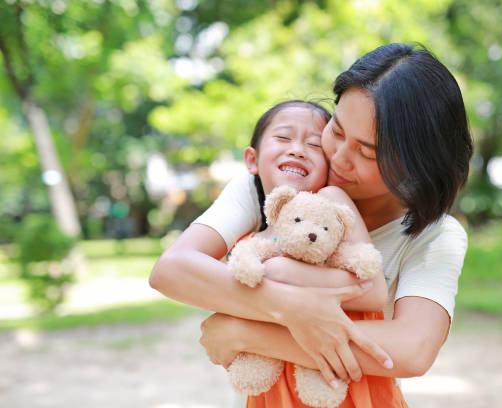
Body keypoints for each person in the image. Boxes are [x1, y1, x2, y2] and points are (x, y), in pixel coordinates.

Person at [150, 43, 472, 406]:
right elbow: (172, 270)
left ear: (418, 164)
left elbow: (412, 348)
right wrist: (291, 308)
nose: (338, 157)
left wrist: (245, 332)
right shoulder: (273, 190)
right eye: (335, 130)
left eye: (367, 151)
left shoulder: (434, 234)